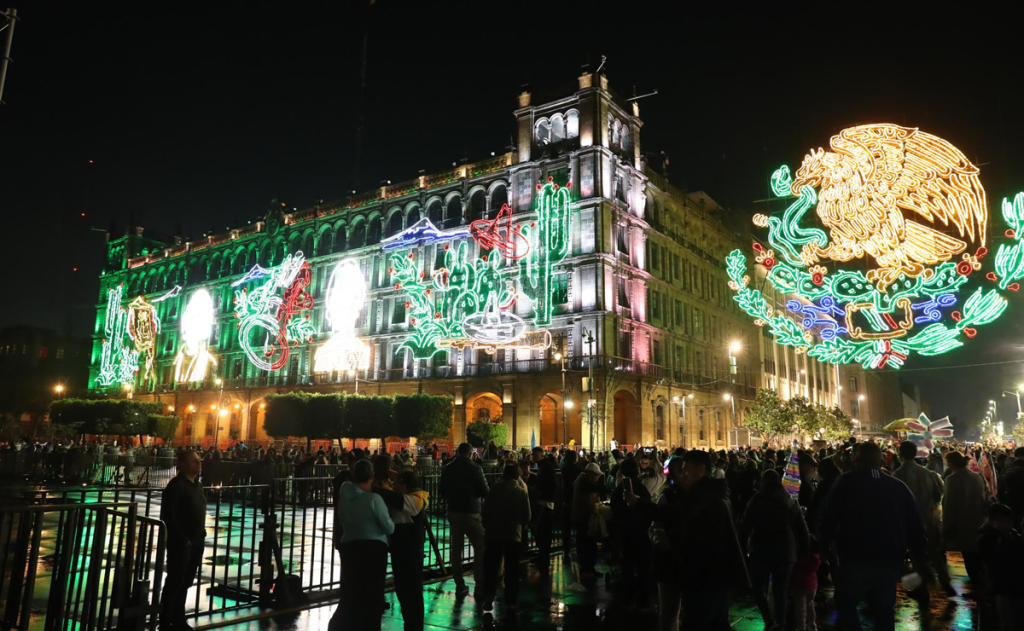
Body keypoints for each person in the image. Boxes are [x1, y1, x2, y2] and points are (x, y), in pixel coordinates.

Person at [820, 441, 931, 631]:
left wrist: (824, 546)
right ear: (881, 460)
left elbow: (829, 517)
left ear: (856, 459)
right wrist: (920, 558)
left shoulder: (845, 482)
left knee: (846, 604)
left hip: (855, 556)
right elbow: (916, 526)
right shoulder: (898, 486)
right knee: (884, 609)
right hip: (890, 558)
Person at [739, 469, 809, 631]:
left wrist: (741, 549)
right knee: (780, 591)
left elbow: (745, 526)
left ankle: (769, 620)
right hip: (785, 550)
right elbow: (802, 529)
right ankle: (780, 624)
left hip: (761, 549)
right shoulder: (789, 500)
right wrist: (805, 551)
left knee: (757, 587)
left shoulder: (757, 499)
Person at [331, 459, 394, 631]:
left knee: (352, 591)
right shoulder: (373, 499)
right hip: (374, 549)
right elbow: (388, 527)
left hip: (350, 546)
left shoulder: (344, 498)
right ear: (371, 476)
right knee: (372, 593)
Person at [892, 440, 953, 595]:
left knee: (915, 554)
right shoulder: (928, 473)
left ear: (900, 454)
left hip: (910, 519)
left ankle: (923, 586)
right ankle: (944, 580)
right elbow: (939, 493)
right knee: (934, 551)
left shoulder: (899, 474)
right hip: (929, 516)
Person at [374, 469, 429, 631]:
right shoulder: (406, 499)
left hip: (410, 552)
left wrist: (375, 489)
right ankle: (410, 624)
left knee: (412, 592)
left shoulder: (416, 499)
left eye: (396, 483)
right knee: (403, 591)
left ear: (404, 486)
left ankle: (414, 626)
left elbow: (398, 501)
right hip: (401, 551)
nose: (393, 485)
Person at [160, 450, 207, 631]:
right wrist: (181, 537)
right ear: (182, 464)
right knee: (175, 581)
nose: (198, 463)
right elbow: (169, 515)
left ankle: (178, 618)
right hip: (182, 542)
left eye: (198, 460)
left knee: (186, 581)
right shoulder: (176, 486)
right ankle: (165, 621)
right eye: (193, 461)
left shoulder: (197, 485)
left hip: (196, 540)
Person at [439, 442, 489, 598]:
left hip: (453, 511)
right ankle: (480, 583)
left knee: (456, 549)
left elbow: (441, 490)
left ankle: (459, 583)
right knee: (480, 547)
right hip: (471, 511)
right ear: (470, 453)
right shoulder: (476, 469)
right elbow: (485, 491)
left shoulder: (448, 469)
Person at [481, 463, 532, 613]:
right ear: (517, 475)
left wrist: (486, 525)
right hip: (512, 534)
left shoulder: (494, 489)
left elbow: (485, 510)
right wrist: (522, 527)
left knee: (491, 567)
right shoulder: (521, 491)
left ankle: (488, 597)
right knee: (512, 568)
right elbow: (527, 515)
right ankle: (510, 600)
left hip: (493, 533)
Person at [942, 450, 990, 586]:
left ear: (951, 463)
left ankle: (977, 587)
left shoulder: (952, 480)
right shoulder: (977, 477)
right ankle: (983, 584)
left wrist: (947, 526)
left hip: (962, 523)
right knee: (978, 554)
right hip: (979, 521)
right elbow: (986, 497)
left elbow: (949, 505)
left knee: (969, 556)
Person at [977, 503, 1024, 631]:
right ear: (991, 521)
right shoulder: (988, 538)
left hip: (1014, 586)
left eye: (1009, 521)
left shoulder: (1013, 535)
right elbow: (992, 560)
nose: (1006, 525)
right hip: (1001, 587)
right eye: (1001, 521)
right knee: (1007, 620)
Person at [571, 462, 604, 578]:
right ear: (590, 473)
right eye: (596, 475)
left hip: (583, 517)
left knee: (588, 544)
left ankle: (589, 569)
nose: (597, 477)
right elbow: (593, 489)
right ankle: (586, 570)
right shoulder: (583, 481)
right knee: (587, 545)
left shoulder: (583, 480)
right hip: (582, 518)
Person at [529, 446, 557, 574]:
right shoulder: (546, 467)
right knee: (543, 532)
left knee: (542, 532)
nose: (533, 457)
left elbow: (549, 485)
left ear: (541, 455)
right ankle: (543, 557)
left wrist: (538, 491)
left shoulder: (545, 468)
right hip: (546, 502)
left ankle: (543, 558)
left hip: (544, 503)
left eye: (535, 455)